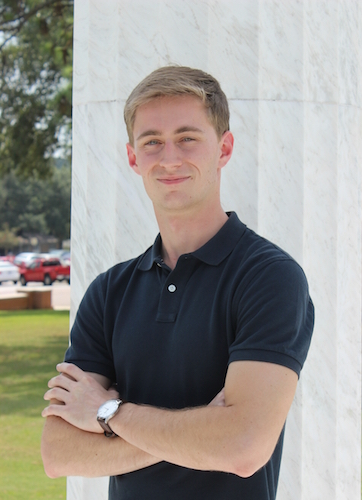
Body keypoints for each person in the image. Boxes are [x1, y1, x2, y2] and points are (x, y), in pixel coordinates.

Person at [41, 66, 314, 500]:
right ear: (133, 158)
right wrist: (202, 431)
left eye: (188, 138)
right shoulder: (109, 292)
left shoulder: (269, 277)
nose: (169, 158)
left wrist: (106, 412)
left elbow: (243, 448)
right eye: (152, 142)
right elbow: (60, 454)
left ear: (223, 148)